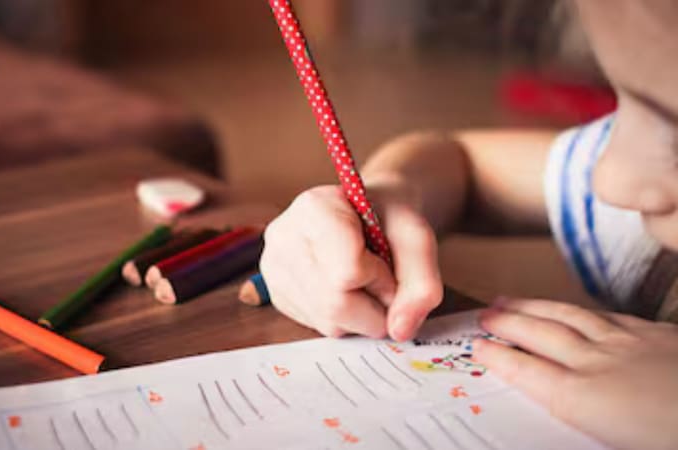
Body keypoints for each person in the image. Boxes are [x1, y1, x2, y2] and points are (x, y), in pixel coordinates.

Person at [259, 1, 678, 448]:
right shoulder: (635, 195)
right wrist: (392, 195)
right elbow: (463, 164)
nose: (608, 180)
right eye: (620, 105)